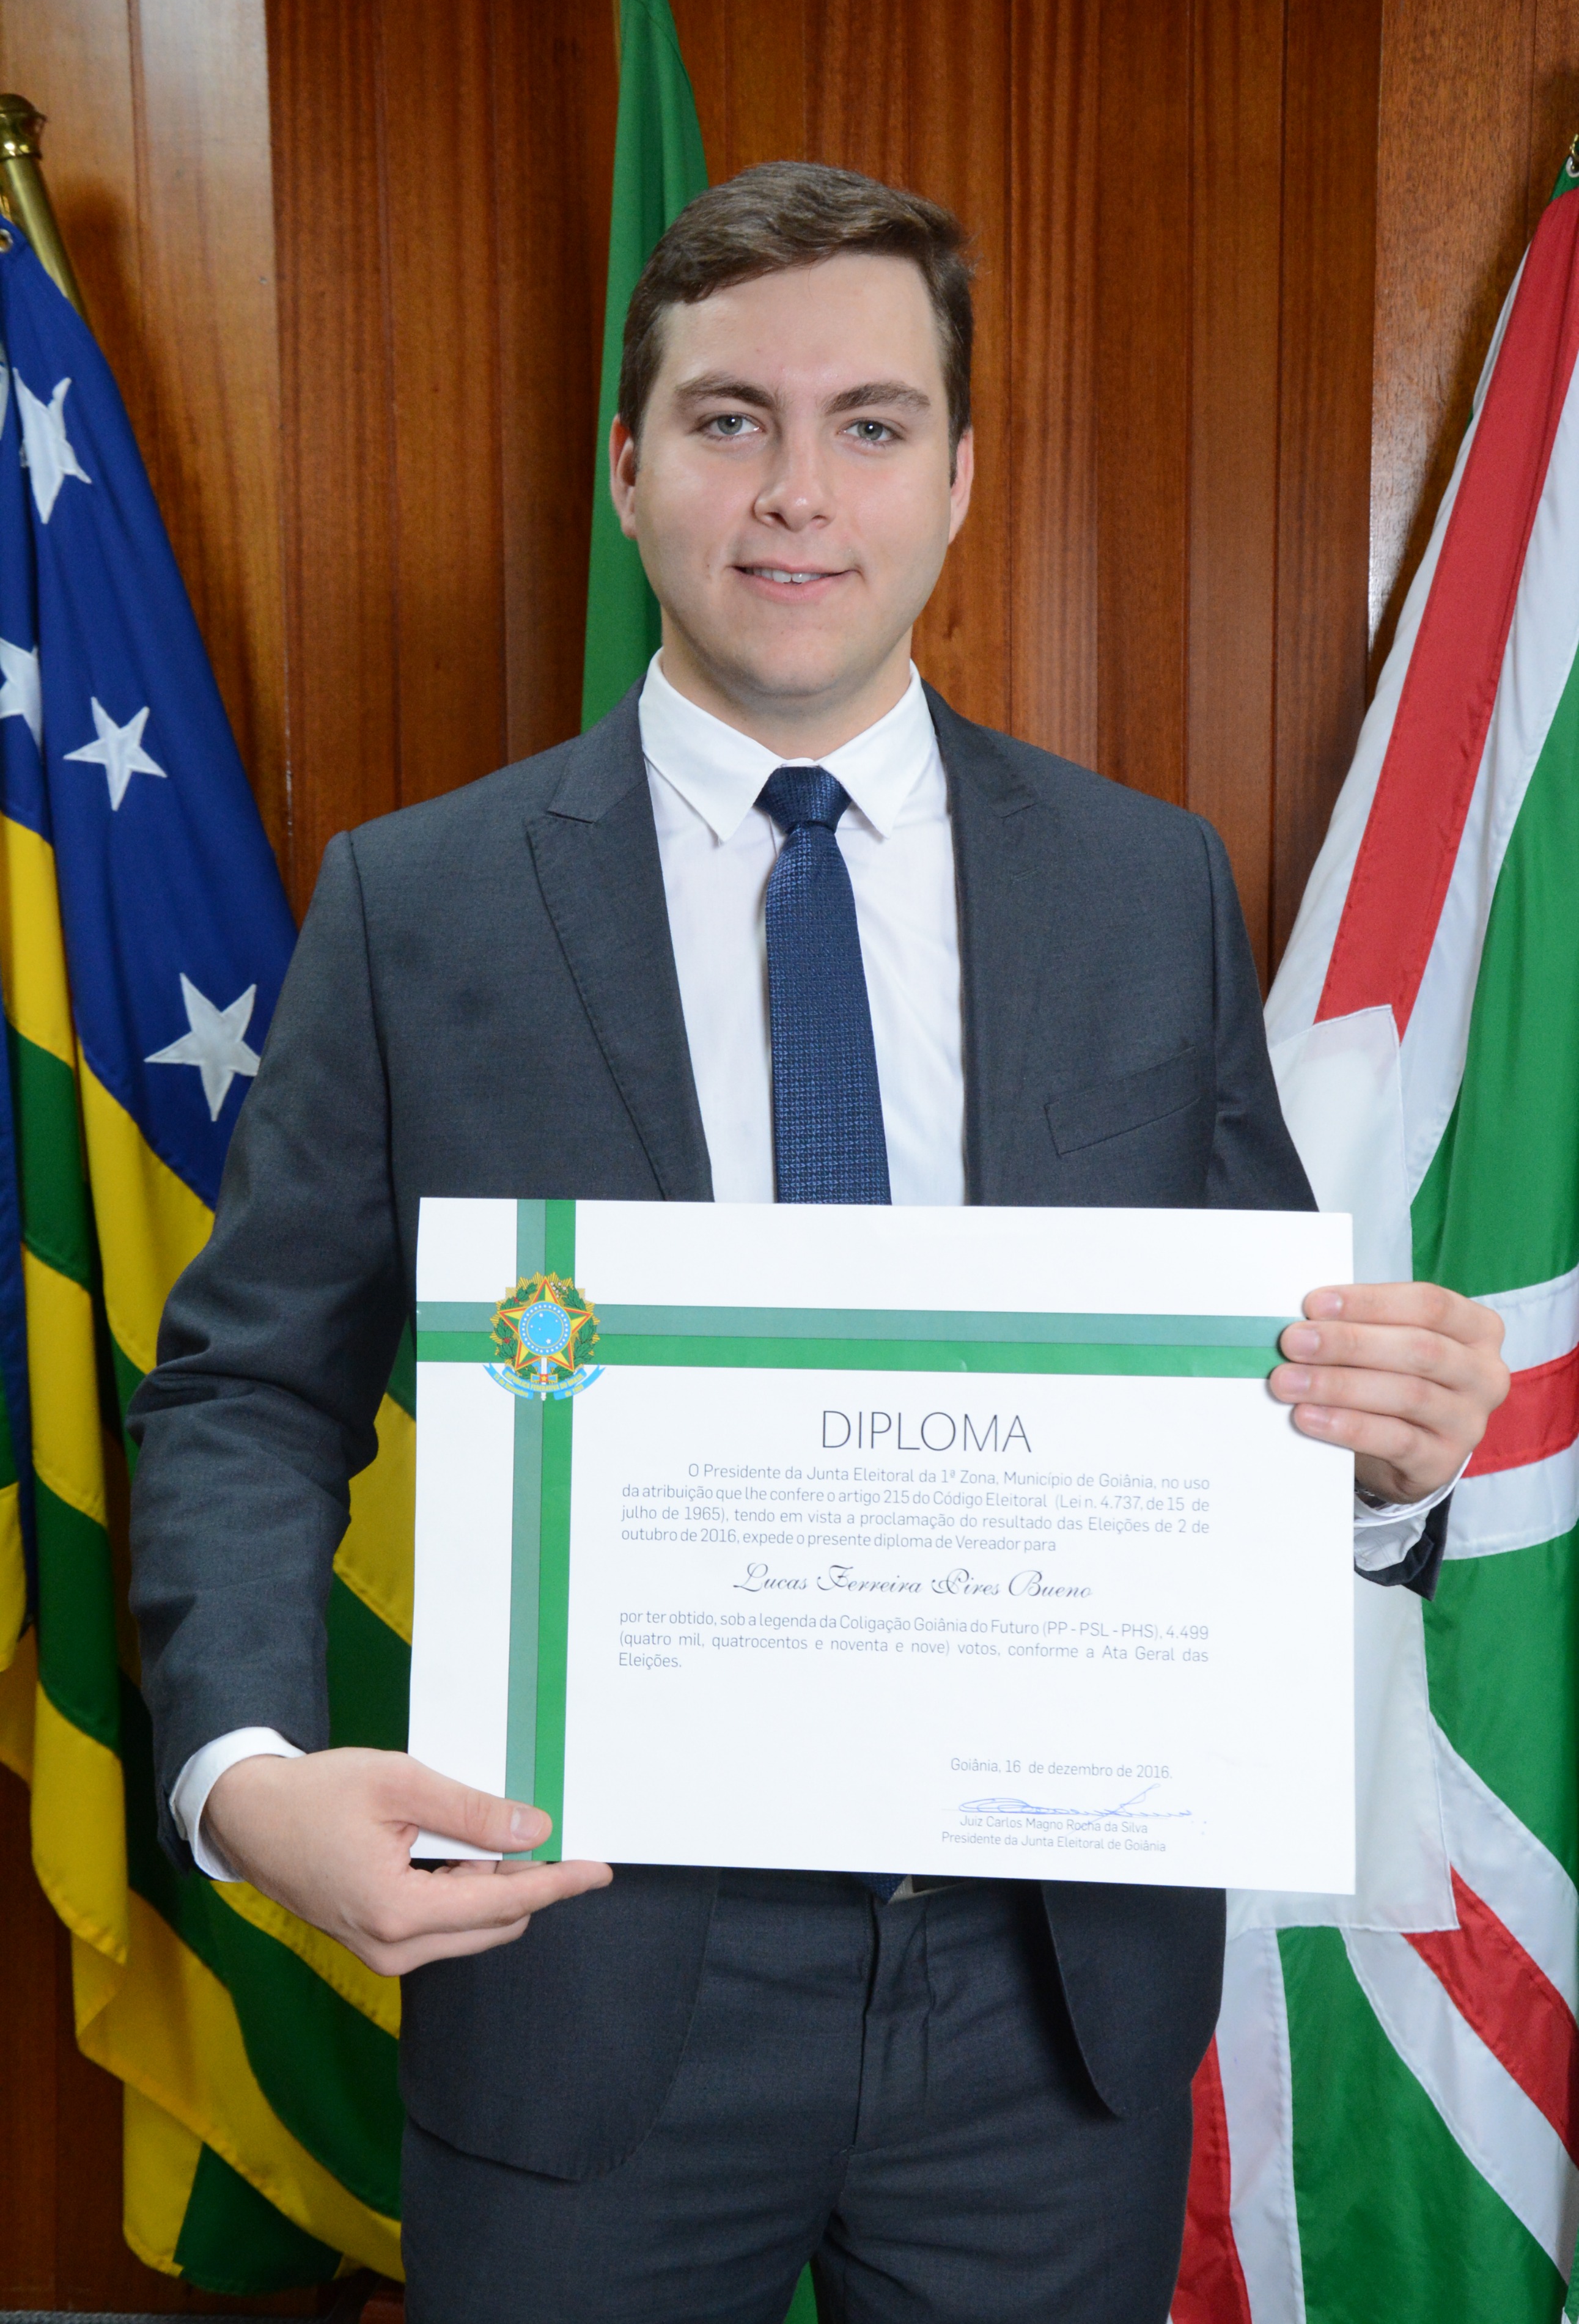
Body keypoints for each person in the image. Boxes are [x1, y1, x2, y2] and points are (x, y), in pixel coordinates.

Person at [128, 163, 1508, 2323]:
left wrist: (1380, 1466)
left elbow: (1255, 1388)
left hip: (1047, 2001)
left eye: (870, 424)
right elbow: (247, 1389)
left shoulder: (1148, 887)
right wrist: (245, 1782)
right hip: (580, 1965)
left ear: (957, 479)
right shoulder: (420, 903)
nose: (797, 491)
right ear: (629, 468)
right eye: (729, 420)